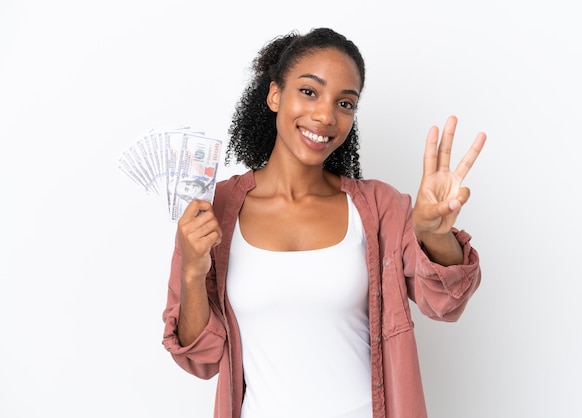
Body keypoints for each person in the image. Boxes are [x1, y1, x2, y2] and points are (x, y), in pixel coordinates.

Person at [162, 27, 486, 418]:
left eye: (345, 103)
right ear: (275, 95)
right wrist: (194, 272)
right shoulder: (212, 212)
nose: (326, 115)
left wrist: (433, 236)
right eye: (309, 91)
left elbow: (444, 305)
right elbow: (200, 359)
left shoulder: (380, 207)